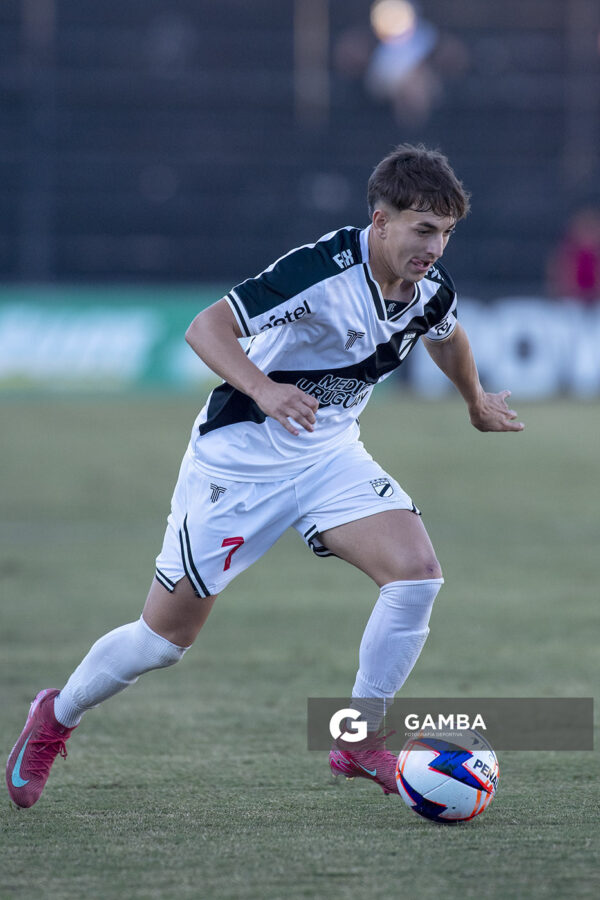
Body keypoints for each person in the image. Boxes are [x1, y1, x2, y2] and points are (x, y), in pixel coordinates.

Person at [6, 144, 524, 808]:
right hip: (239, 465)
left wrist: (475, 400)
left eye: (447, 232)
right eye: (424, 229)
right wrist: (264, 389)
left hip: (325, 453)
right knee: (163, 642)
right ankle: (55, 714)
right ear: (380, 220)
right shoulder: (319, 273)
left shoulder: (429, 287)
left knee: (416, 575)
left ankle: (359, 740)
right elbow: (206, 327)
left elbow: (446, 334)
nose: (436, 246)